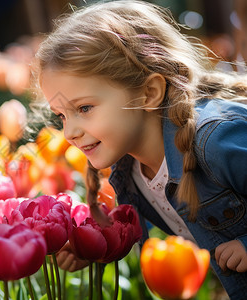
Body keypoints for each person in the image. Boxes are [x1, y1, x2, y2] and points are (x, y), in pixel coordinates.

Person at [30, 0, 247, 298]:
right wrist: (91, 248)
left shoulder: (214, 142)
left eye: (84, 107)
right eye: (62, 115)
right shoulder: (129, 170)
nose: (69, 132)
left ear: (149, 93)